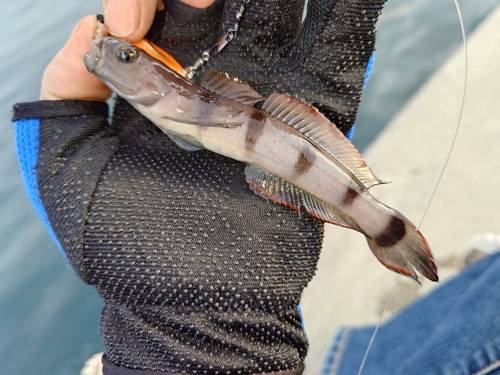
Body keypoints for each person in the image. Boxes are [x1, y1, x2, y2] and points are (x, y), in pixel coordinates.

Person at [12, 0, 386, 374]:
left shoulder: (171, 98)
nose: (115, 54)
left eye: (126, 57)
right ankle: (381, 225)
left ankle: (382, 225)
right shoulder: (165, 96)